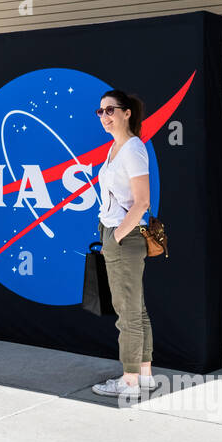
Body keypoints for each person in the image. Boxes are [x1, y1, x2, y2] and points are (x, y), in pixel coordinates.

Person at [90, 89, 159, 400]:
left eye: (110, 110)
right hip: (116, 232)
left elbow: (142, 201)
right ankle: (144, 377)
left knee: (127, 311)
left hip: (125, 235)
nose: (105, 116)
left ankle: (130, 380)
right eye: (101, 112)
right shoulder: (116, 147)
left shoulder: (132, 148)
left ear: (127, 113)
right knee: (136, 308)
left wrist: (117, 236)